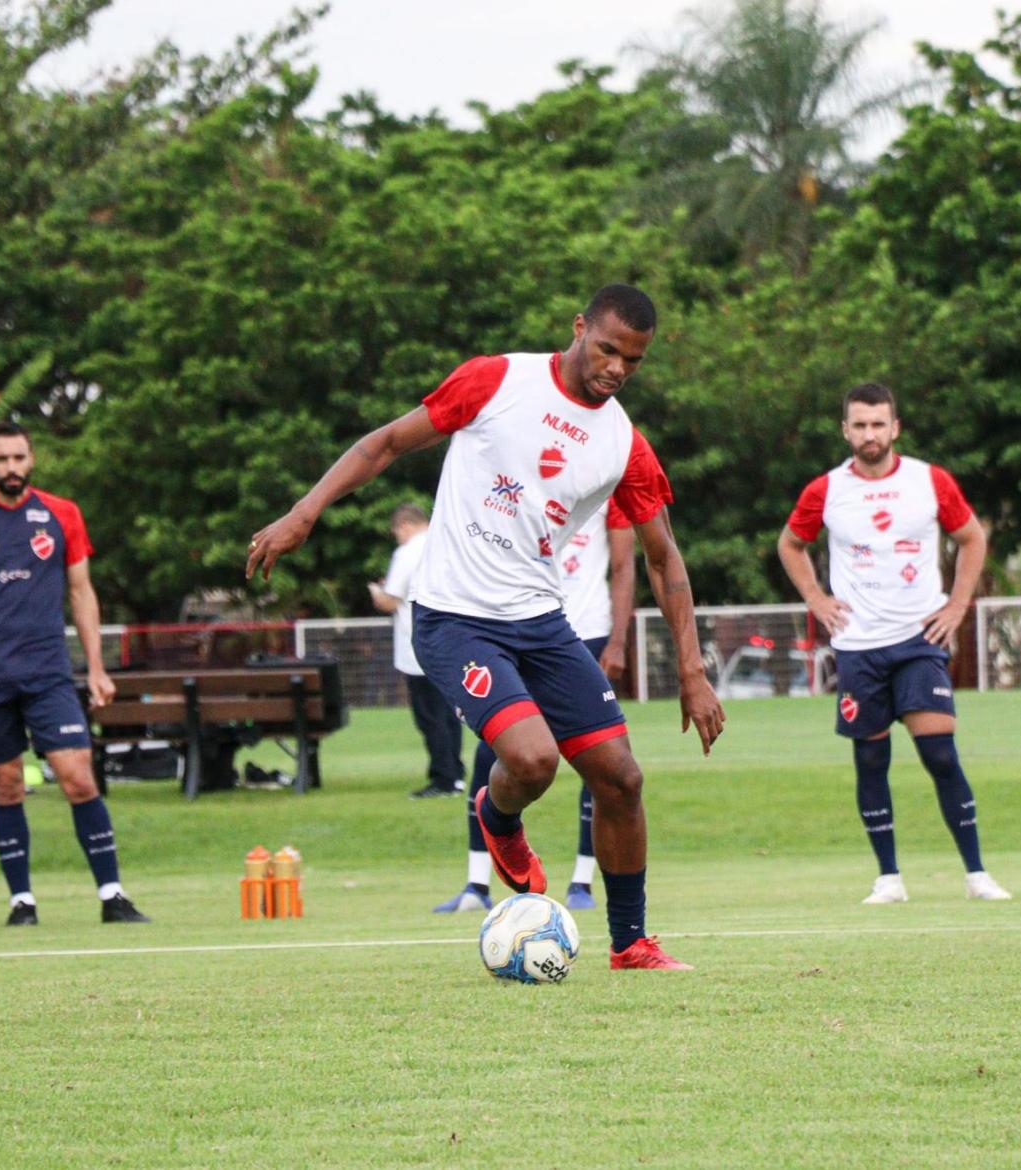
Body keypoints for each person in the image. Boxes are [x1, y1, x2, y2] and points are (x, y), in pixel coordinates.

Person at [248, 284, 724, 970]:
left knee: (620, 778)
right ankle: (497, 817)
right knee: (533, 759)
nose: (618, 368)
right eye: (608, 349)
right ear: (579, 327)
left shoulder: (624, 444)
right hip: (452, 618)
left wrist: (692, 672)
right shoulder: (496, 380)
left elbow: (663, 559)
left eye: (634, 361)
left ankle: (631, 944)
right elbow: (384, 445)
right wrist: (305, 510)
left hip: (540, 621)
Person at [778, 382, 1012, 904]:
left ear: (895, 427)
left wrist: (956, 605)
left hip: (918, 639)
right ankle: (888, 878)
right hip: (858, 646)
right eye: (859, 425)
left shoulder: (930, 481)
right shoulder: (826, 490)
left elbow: (972, 538)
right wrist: (817, 600)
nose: (869, 434)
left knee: (940, 753)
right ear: (845, 430)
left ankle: (977, 874)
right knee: (870, 761)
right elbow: (791, 544)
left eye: (878, 424)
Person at [0, 422, 150, 926]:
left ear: (32, 459)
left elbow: (82, 592)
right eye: (1, 460)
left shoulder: (62, 515)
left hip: (48, 673)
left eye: (19, 458)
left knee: (78, 778)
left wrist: (99, 667)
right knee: (5, 785)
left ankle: (113, 895)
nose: (11, 468)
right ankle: (22, 902)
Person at [436, 498, 636, 913]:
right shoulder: (514, 483)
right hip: (515, 630)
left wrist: (618, 640)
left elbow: (623, 565)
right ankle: (477, 883)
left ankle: (581, 881)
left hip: (584, 633)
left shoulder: (608, 487)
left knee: (602, 764)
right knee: (494, 753)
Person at [369, 503, 466, 798]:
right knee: (450, 714)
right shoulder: (448, 544)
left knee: (429, 717)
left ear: (404, 526)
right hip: (451, 642)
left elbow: (389, 601)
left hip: (419, 647)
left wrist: (376, 590)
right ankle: (456, 772)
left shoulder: (407, 552)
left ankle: (443, 779)